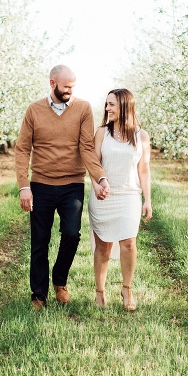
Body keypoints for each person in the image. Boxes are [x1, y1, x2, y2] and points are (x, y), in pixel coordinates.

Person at [15, 65, 111, 309]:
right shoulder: (34, 110)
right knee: (40, 240)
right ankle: (38, 294)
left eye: (73, 86)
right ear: (52, 83)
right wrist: (24, 186)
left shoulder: (83, 108)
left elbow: (86, 149)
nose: (70, 90)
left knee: (71, 234)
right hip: (41, 185)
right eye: (66, 86)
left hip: (72, 184)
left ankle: (60, 280)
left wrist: (100, 178)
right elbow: (22, 149)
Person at [88, 88, 152, 311]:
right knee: (103, 246)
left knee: (128, 243)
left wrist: (147, 200)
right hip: (103, 195)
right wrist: (96, 185)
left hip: (129, 195)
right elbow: (93, 163)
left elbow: (144, 170)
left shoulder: (141, 136)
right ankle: (100, 292)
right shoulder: (101, 133)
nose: (107, 108)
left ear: (125, 105)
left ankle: (127, 289)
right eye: (106, 104)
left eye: (111, 104)